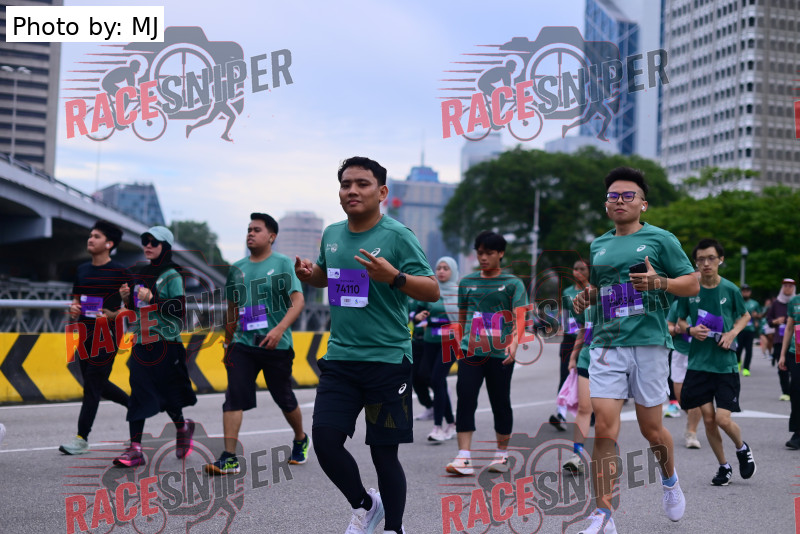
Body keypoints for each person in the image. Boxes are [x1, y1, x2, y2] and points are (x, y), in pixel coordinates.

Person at [295, 156, 438, 534]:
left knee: (383, 453)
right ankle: (365, 505)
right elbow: (328, 276)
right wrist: (311, 275)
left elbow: (431, 289)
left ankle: (394, 528)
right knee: (325, 442)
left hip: (387, 361)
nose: (352, 191)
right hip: (340, 359)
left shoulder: (398, 236)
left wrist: (395, 277)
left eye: (362, 183)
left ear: (382, 192)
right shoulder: (332, 234)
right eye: (346, 184)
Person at [573, 167, 699, 533]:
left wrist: (660, 282)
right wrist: (587, 297)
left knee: (652, 430)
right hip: (607, 343)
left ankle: (670, 481)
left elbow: (692, 283)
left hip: (649, 344)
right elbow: (604, 288)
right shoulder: (599, 245)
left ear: (643, 204)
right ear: (606, 204)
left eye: (628, 195)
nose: (620, 201)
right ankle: (603, 514)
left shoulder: (661, 239)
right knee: (604, 428)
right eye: (613, 196)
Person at [204, 213, 308, 476]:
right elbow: (231, 309)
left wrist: (279, 329)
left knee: (284, 398)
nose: (250, 233)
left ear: (271, 237)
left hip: (276, 345)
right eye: (249, 229)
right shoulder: (236, 268)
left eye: (257, 229)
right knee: (233, 398)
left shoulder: (283, 263)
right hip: (242, 344)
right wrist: (227, 344)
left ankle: (300, 438)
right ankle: (229, 457)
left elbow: (298, 301)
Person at [445, 231, 527, 476]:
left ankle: (501, 454)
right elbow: (462, 317)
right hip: (471, 351)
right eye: (480, 253)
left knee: (500, 402)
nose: (483, 258)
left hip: (500, 353)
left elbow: (520, 317)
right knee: (465, 398)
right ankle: (464, 457)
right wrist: (459, 343)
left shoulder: (513, 283)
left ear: (500, 254)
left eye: (489, 253)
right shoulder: (467, 282)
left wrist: (514, 343)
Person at [114, 226, 197, 467]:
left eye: (154, 242)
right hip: (141, 341)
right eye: (145, 241)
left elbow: (179, 309)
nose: (148, 246)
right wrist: (127, 299)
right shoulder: (142, 274)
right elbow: (138, 309)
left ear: (165, 247)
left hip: (166, 343)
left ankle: (182, 426)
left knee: (169, 395)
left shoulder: (172, 275)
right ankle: (135, 449)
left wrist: (152, 298)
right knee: (138, 392)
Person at [675, 239, 756, 486]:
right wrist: (690, 329)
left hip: (724, 365)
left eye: (711, 258)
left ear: (721, 259)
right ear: (696, 262)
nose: (706, 263)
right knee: (708, 419)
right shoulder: (690, 289)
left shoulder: (730, 289)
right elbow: (679, 321)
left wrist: (732, 333)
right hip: (699, 365)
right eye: (700, 259)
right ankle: (724, 466)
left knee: (722, 419)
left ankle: (742, 448)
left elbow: (745, 316)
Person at [60, 221, 131, 455]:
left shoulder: (120, 272)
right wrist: (73, 308)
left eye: (97, 236)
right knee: (96, 384)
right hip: (84, 333)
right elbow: (76, 299)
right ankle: (135, 405)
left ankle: (81, 438)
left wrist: (115, 313)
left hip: (107, 336)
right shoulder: (82, 270)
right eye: (90, 235)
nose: (90, 239)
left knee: (92, 385)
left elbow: (134, 307)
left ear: (109, 244)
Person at [417, 256, 460, 442]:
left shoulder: (458, 293)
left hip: (450, 342)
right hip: (430, 340)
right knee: (433, 380)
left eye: (445, 268)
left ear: (453, 271)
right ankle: (451, 423)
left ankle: (438, 427)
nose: (441, 271)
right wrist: (419, 316)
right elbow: (416, 313)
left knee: (437, 379)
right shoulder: (431, 291)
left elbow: (464, 319)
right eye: (439, 268)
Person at [550, 259, 589, 431]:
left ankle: (591, 412)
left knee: (587, 376)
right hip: (570, 339)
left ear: (589, 271)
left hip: (589, 339)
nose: (578, 272)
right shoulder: (567, 292)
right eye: (575, 268)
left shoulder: (593, 291)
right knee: (565, 374)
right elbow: (565, 317)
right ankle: (561, 415)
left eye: (582, 269)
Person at [563, 299, 594, 474]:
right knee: (584, 408)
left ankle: (608, 454)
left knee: (605, 412)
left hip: (611, 360)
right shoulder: (587, 301)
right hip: (586, 357)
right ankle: (576, 456)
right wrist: (573, 357)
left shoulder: (614, 294)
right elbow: (583, 330)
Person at [666, 298, 702, 449]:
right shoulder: (678, 304)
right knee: (682, 399)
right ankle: (692, 419)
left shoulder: (708, 300)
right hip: (680, 353)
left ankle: (691, 432)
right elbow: (668, 327)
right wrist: (675, 329)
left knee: (698, 396)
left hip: (701, 354)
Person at [778, 285, 800, 449]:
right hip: (796, 352)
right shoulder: (794, 301)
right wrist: (783, 354)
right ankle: (797, 433)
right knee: (796, 390)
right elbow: (789, 328)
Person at [767, 279, 796, 400]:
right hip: (779, 339)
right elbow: (769, 320)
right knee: (782, 367)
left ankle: (794, 391)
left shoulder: (796, 302)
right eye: (785, 286)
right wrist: (776, 321)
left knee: (795, 369)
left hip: (796, 340)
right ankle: (786, 392)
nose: (788, 288)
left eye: (790, 286)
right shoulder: (776, 303)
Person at [736, 284, 761, 376]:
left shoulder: (755, 303)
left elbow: (759, 315)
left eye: (747, 291)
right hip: (739, 329)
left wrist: (756, 316)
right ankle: (738, 362)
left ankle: (746, 368)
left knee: (749, 349)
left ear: (750, 292)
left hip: (750, 329)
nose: (745, 293)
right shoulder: (737, 302)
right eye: (743, 291)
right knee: (738, 348)